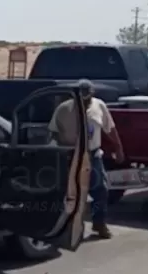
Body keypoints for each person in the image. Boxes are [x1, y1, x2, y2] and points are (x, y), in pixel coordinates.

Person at [48, 79, 124, 239]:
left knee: (101, 190)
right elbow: (53, 131)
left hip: (92, 155)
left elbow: (109, 128)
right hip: (70, 156)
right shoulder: (63, 109)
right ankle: (70, 226)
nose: (85, 101)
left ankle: (99, 223)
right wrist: (58, 148)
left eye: (88, 98)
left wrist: (118, 148)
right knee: (71, 193)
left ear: (92, 95)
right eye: (81, 98)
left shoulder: (99, 106)